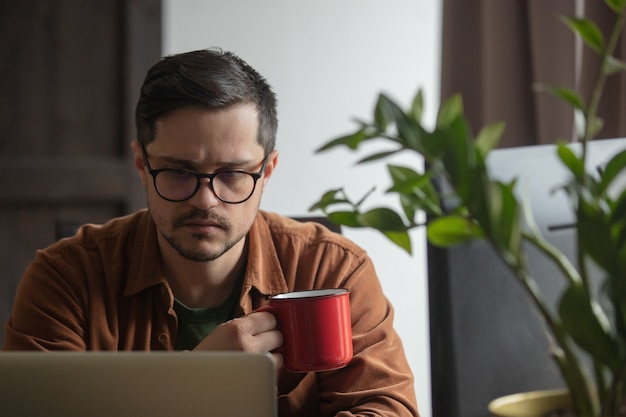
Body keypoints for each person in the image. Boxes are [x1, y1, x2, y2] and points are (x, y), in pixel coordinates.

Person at [2, 48, 419, 417]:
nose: (206, 200)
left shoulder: (333, 270)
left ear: (267, 170)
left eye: (233, 174)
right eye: (179, 171)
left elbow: (386, 408)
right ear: (142, 166)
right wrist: (194, 380)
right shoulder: (66, 279)